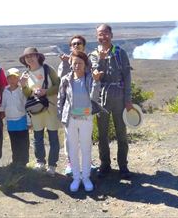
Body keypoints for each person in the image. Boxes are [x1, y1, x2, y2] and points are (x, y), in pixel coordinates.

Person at [89, 24, 135, 180]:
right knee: (102, 135)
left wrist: (128, 99)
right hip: (102, 99)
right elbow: (97, 76)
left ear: (111, 35)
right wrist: (101, 61)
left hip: (120, 99)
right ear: (97, 37)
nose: (103, 36)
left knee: (121, 133)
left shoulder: (120, 53)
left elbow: (127, 77)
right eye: (100, 34)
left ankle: (123, 166)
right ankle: (105, 165)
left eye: (106, 33)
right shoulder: (94, 55)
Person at [58, 51, 103, 192]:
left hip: (86, 118)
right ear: (70, 63)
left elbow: (95, 97)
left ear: (85, 65)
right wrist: (61, 116)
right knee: (72, 149)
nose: (77, 65)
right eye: (74, 62)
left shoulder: (90, 78)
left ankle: (86, 177)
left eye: (80, 63)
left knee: (86, 148)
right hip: (70, 119)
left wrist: (96, 81)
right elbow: (61, 99)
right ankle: (76, 178)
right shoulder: (66, 79)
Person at [19, 47, 61, 176]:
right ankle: (40, 162)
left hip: (51, 109)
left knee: (53, 137)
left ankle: (52, 165)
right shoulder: (25, 74)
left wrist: (46, 92)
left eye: (32, 55)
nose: (30, 58)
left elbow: (58, 86)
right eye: (27, 57)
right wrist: (24, 85)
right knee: (38, 137)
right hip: (36, 111)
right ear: (24, 60)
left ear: (38, 56)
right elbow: (27, 94)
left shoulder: (47, 69)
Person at [0, 68, 30, 169]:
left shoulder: (22, 90)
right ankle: (16, 161)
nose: (12, 80)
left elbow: (26, 106)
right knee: (14, 142)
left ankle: (24, 162)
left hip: (21, 120)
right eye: (10, 77)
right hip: (10, 122)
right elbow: (4, 105)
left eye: (14, 77)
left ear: (18, 78)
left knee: (23, 142)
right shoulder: (5, 91)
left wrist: (28, 121)